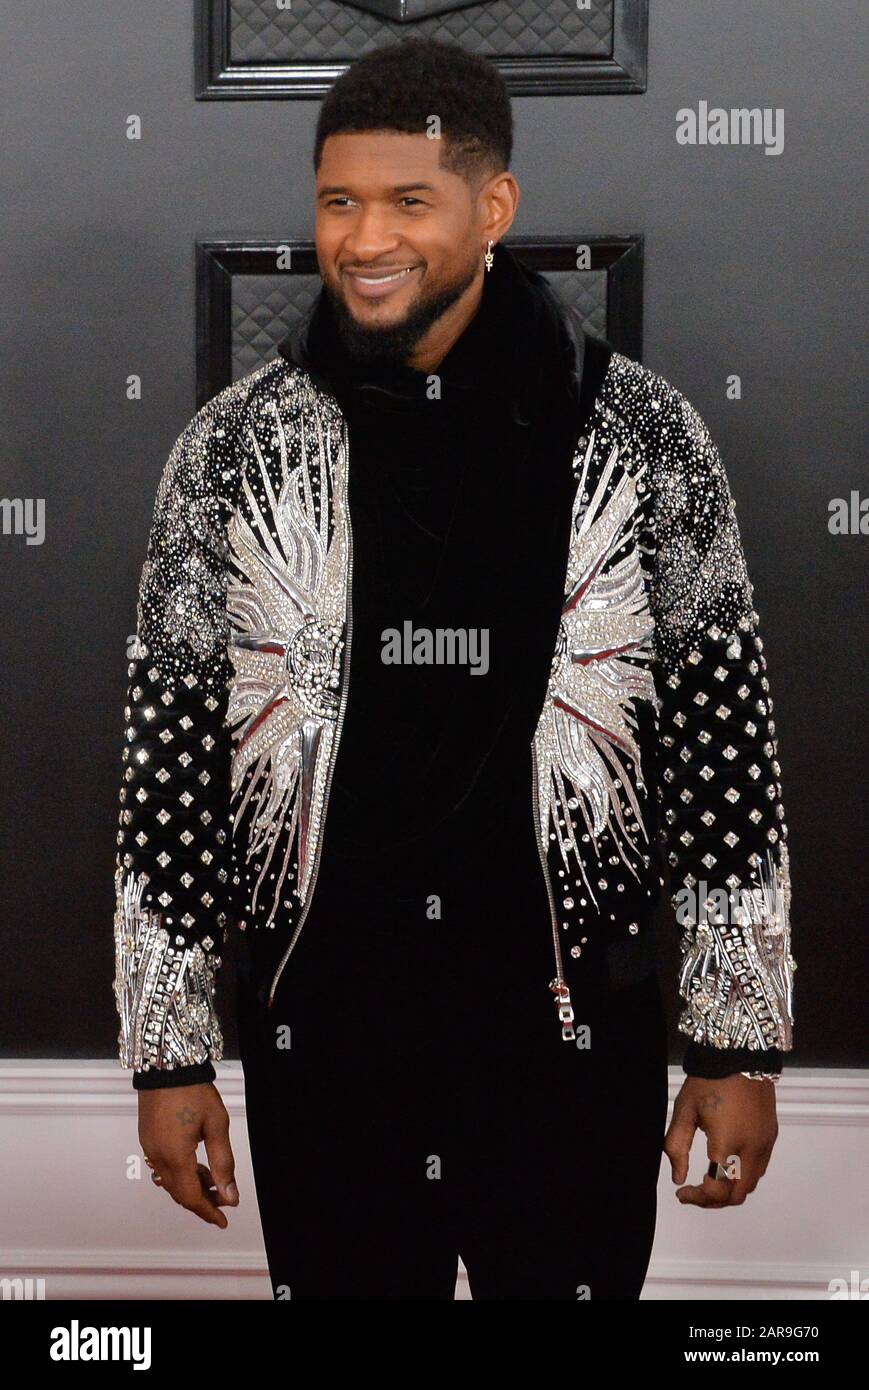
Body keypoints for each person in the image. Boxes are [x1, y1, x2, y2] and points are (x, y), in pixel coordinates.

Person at [112, 38, 796, 1299]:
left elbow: (723, 747)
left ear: (492, 208)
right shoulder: (232, 449)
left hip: (562, 1030)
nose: (364, 238)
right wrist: (168, 1056)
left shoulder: (640, 435)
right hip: (326, 1040)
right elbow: (169, 766)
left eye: (406, 201)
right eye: (338, 201)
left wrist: (735, 1041)